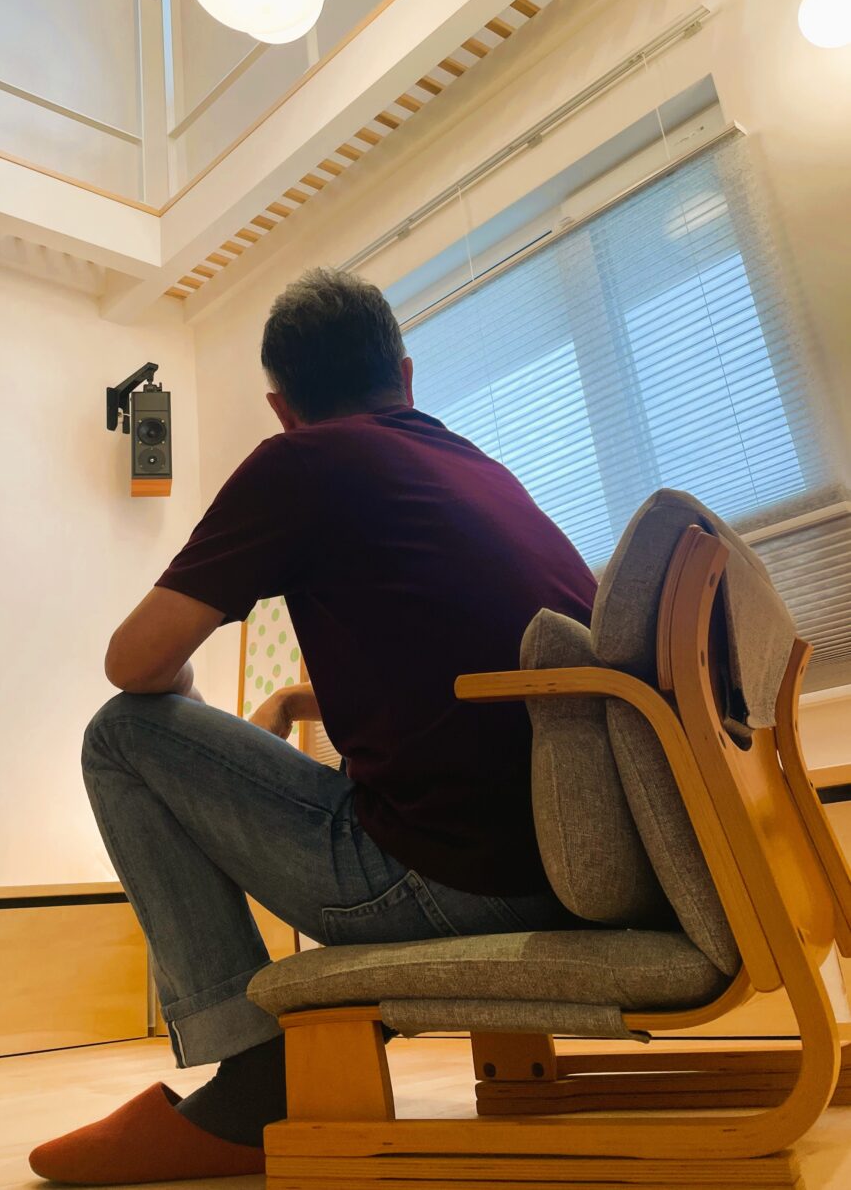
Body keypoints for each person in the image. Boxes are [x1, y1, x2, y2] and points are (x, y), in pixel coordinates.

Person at [30, 268, 597, 1185]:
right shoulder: (481, 469)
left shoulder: (300, 462)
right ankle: (265, 1070)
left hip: (451, 882)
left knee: (122, 735)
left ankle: (253, 1079)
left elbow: (133, 664)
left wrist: (183, 700)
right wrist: (297, 705)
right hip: (575, 863)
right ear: (403, 375)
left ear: (281, 407)